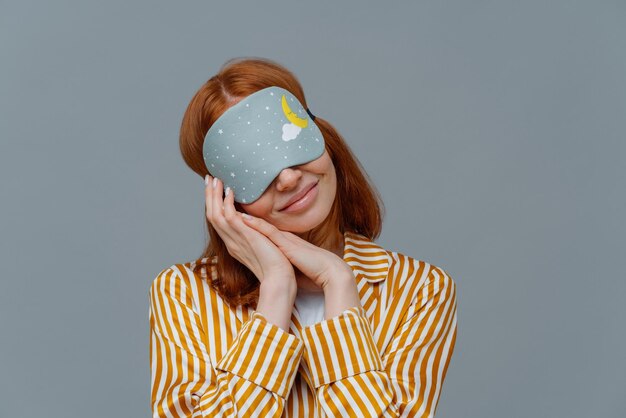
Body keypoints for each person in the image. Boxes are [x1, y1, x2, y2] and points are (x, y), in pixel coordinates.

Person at [149, 57, 458, 417]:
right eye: (251, 166)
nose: (287, 179)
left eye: (288, 140)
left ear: (320, 134)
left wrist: (338, 281)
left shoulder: (420, 290)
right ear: (222, 195)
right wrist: (277, 290)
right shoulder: (184, 293)